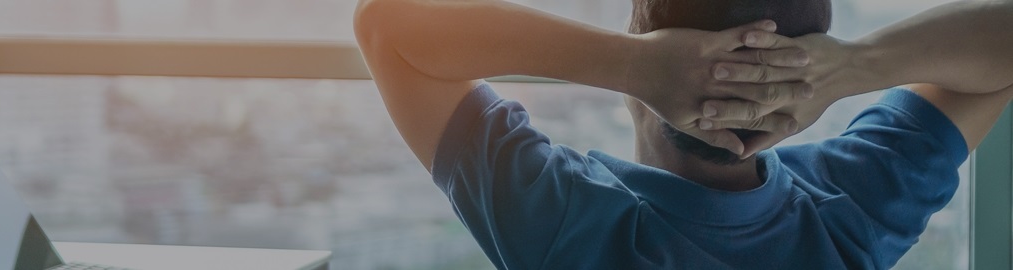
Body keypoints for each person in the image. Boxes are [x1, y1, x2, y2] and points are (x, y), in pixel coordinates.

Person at [353, 0, 1013, 268]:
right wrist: (851, 69)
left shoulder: (565, 225)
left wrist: (630, 63)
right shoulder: (853, 208)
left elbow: (386, 24)